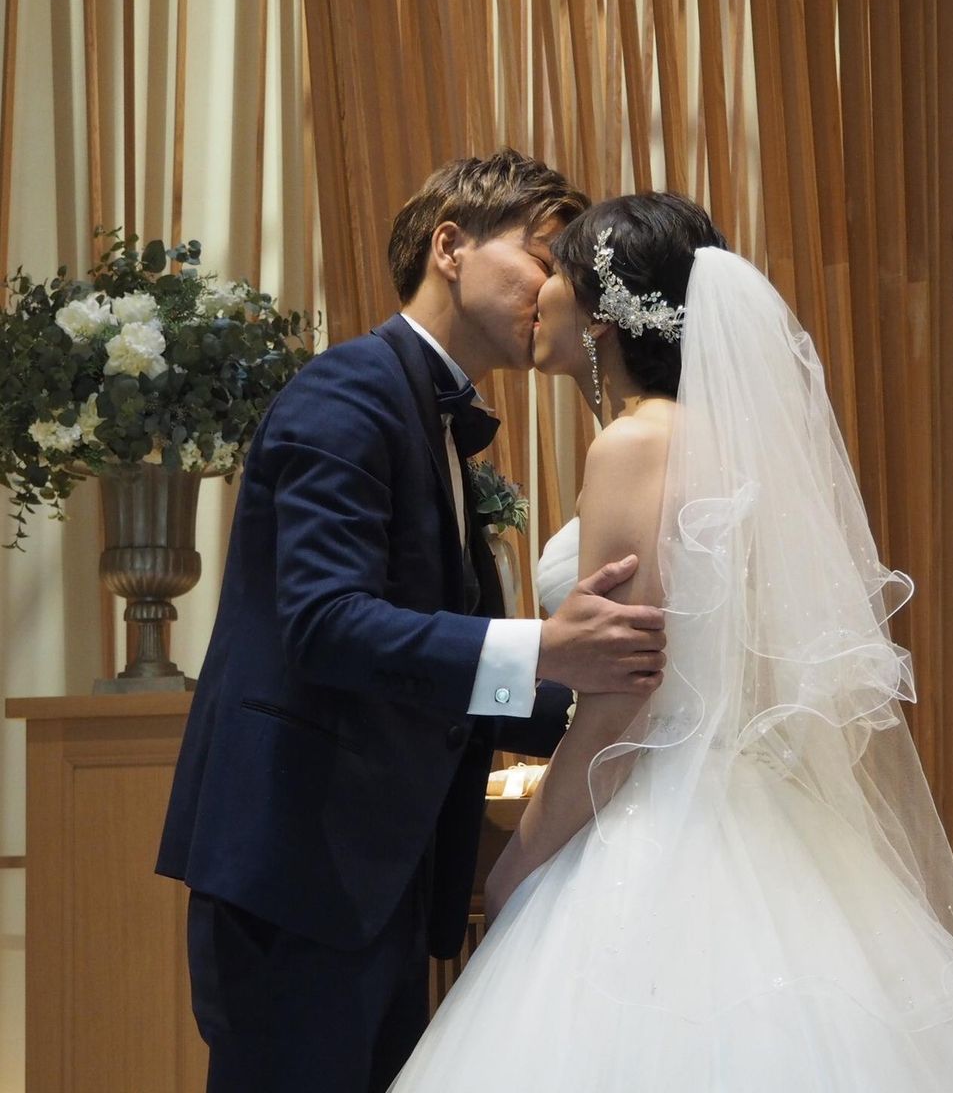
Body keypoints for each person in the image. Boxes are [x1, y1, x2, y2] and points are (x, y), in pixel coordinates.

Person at [388, 192, 953, 1091]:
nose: (538, 289)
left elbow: (627, 695)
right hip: (757, 812)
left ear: (600, 314)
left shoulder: (634, 445)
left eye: (556, 272)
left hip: (658, 814)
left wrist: (518, 861)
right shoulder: (722, 443)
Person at [155, 150, 669, 1093]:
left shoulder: (431, 420)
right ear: (450, 247)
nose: (557, 289)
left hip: (376, 872)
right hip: (299, 867)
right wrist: (548, 649)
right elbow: (326, 623)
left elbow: (431, 676)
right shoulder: (346, 391)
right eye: (543, 257)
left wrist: (635, 710)